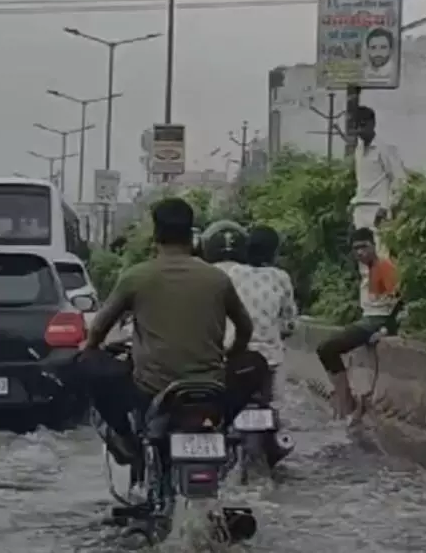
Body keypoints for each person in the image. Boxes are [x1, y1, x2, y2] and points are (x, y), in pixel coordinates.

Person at [78, 198, 265, 467]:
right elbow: (245, 329)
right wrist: (230, 356)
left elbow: (98, 329)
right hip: (210, 390)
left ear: (156, 236)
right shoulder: (217, 279)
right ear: (192, 236)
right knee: (255, 363)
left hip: (151, 391)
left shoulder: (137, 276)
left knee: (87, 362)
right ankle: (221, 430)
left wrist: (91, 346)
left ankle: (126, 440)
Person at [316, 228, 399, 418]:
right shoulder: (369, 268)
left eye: (364, 247)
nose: (360, 252)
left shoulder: (384, 267)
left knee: (327, 349)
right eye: (356, 249)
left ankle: (345, 401)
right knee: (325, 349)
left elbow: (400, 300)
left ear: (373, 245)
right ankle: (344, 397)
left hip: (376, 321)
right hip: (368, 319)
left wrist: (387, 329)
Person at [222, 226, 298, 403]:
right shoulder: (281, 277)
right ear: (274, 251)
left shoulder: (233, 273)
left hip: (236, 354)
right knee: (274, 405)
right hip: (270, 358)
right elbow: (290, 322)